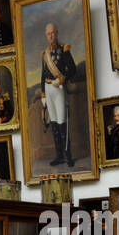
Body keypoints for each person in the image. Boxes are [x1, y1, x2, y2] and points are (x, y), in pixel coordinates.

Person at [37, 23, 78, 167]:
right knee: (53, 123)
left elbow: (73, 69)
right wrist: (43, 93)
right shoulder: (44, 54)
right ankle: (59, 155)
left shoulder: (64, 49)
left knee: (62, 122)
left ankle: (68, 156)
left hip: (59, 88)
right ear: (46, 36)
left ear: (57, 33)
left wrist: (62, 78)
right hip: (48, 90)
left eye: (53, 33)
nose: (51, 36)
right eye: (48, 33)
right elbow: (42, 76)